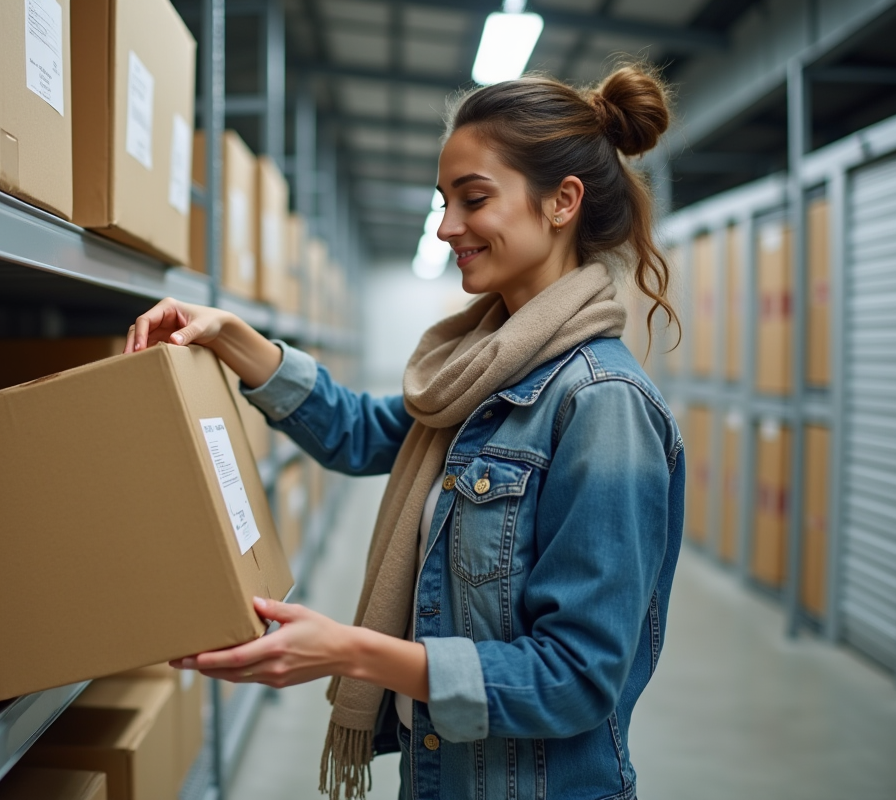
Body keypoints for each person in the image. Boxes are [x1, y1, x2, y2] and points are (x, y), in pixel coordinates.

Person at [124, 64, 685, 800]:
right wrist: (235, 338)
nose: (448, 226)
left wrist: (353, 652)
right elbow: (362, 432)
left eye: (472, 199)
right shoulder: (477, 370)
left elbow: (577, 678)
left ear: (562, 202)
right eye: (443, 201)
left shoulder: (603, 406)